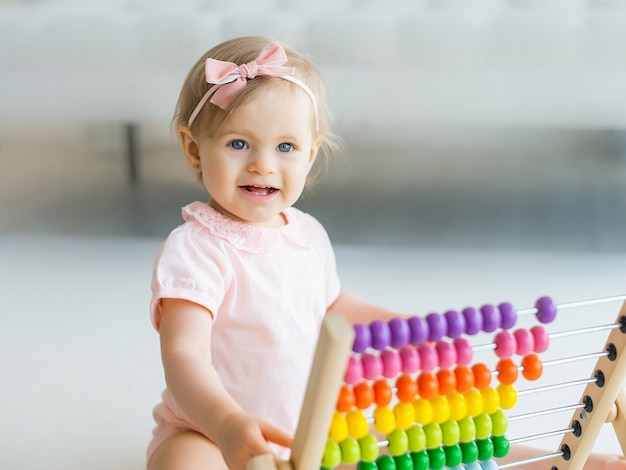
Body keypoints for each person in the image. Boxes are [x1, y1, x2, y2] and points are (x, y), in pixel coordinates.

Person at [146, 36, 626, 470]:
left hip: (314, 428)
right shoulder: (195, 250)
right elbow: (184, 354)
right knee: (185, 463)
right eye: (238, 143)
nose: (262, 164)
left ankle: (564, 462)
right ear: (193, 150)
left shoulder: (307, 234)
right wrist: (228, 425)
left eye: (285, 146)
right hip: (209, 429)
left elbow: (333, 308)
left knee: (422, 443)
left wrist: (406, 332)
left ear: (311, 155)